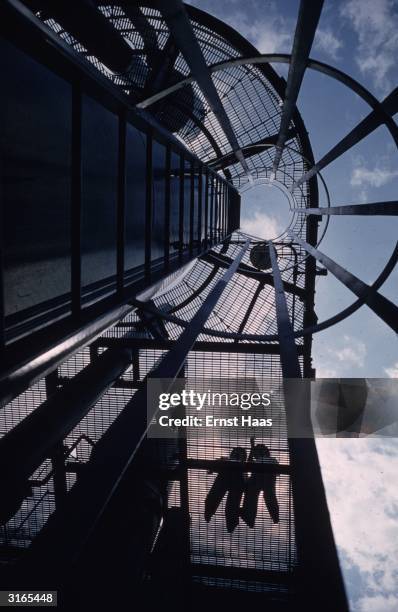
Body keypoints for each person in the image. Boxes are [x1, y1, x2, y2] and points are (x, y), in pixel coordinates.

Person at [204, 447, 247, 533]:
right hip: (231, 481)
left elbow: (213, 467)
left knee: (230, 505)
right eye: (235, 452)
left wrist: (211, 469)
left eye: (239, 453)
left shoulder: (238, 464)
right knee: (216, 497)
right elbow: (213, 466)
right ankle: (210, 511)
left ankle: (230, 523)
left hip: (234, 482)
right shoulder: (226, 460)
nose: (237, 454)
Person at [240, 437, 279, 527]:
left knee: (263, 496)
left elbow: (249, 462)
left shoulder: (270, 460)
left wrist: (253, 447)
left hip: (262, 478)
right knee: (261, 496)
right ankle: (250, 518)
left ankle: (251, 518)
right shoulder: (268, 460)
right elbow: (249, 462)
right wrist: (252, 446)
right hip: (261, 479)